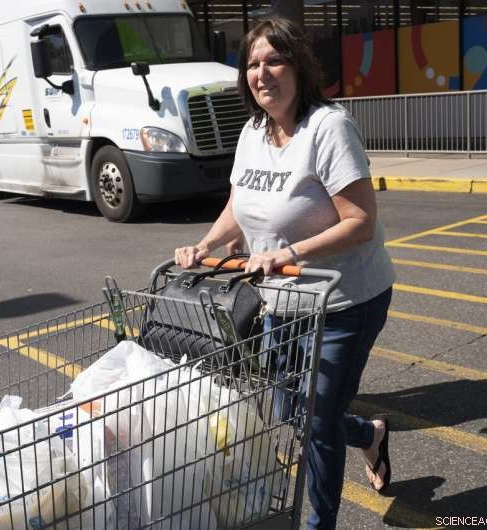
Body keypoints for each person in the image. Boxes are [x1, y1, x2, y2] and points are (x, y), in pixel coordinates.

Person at [174, 16, 395, 530]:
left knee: (316, 422)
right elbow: (239, 203)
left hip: (344, 303)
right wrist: (206, 243)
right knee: (287, 409)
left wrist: (286, 251)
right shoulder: (254, 131)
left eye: (274, 60)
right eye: (253, 63)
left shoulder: (328, 128)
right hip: (281, 301)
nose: (262, 73)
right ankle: (368, 434)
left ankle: (320, 522)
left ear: (299, 65)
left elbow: (361, 222)